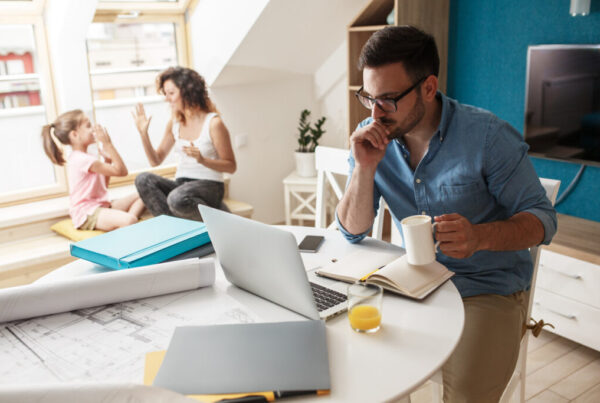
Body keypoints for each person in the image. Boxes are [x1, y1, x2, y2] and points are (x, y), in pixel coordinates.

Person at [336, 26, 557, 402]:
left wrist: (480, 236)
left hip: (487, 289)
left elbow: (544, 219)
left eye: (387, 99)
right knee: (358, 371)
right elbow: (352, 232)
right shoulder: (372, 137)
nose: (375, 113)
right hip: (414, 283)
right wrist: (364, 168)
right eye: (367, 98)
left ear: (427, 87)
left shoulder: (487, 137)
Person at [132, 67, 236, 221]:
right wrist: (143, 134)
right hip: (182, 186)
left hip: (210, 186)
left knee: (176, 198)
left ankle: (214, 219)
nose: (167, 99)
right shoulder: (174, 123)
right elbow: (155, 160)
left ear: (188, 92)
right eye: (165, 94)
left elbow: (230, 166)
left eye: (171, 93)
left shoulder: (213, 123)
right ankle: (175, 229)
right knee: (143, 180)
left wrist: (203, 160)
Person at [41, 110, 145, 231]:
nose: (93, 129)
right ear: (75, 135)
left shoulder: (85, 157)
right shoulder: (83, 160)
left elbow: (102, 187)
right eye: (88, 126)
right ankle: (129, 223)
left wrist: (107, 160)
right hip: (87, 213)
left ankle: (127, 224)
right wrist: (108, 144)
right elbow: (122, 172)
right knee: (130, 220)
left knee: (143, 194)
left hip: (100, 207)